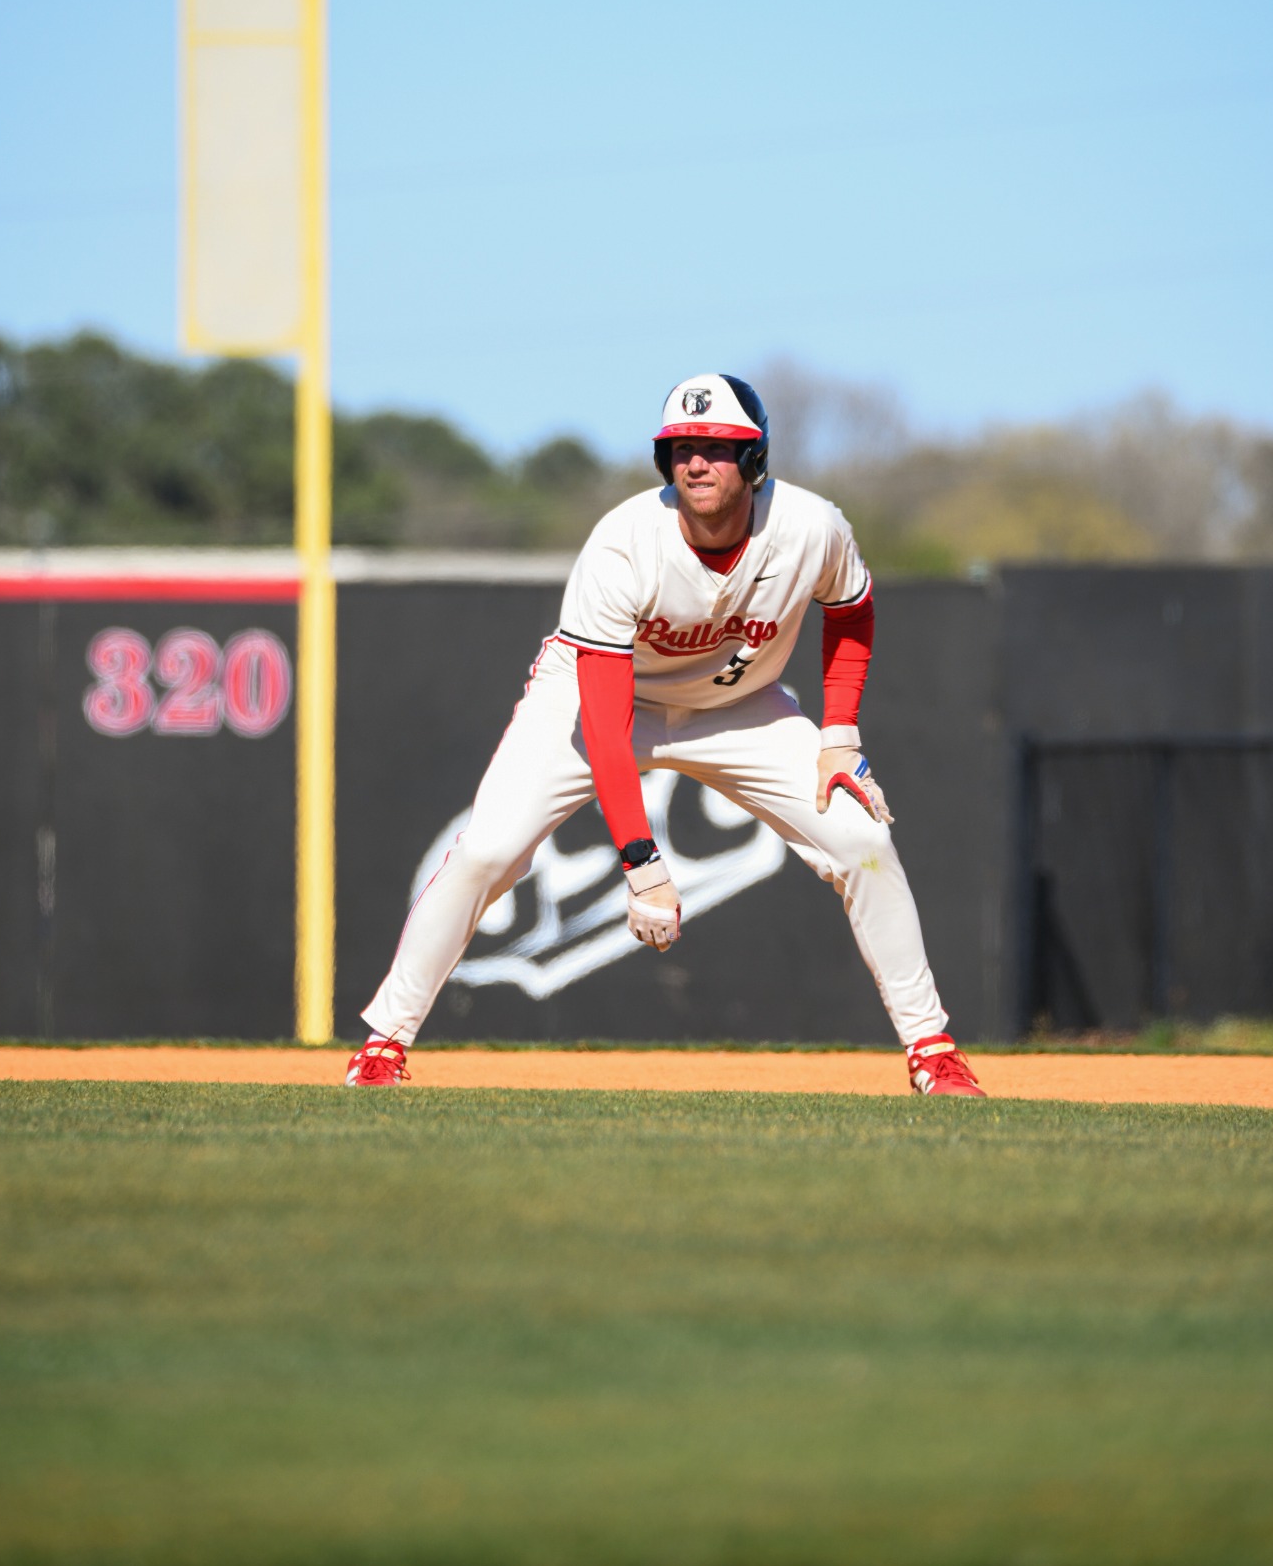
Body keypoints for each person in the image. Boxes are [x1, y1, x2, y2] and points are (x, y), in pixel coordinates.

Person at [347, 373, 983, 1097]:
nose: (695, 461)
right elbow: (610, 726)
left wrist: (838, 730)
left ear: (754, 459)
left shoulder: (810, 526)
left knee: (863, 843)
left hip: (738, 709)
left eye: (716, 446)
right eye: (680, 447)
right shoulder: (624, 542)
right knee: (486, 850)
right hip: (598, 698)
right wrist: (642, 864)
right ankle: (382, 1045)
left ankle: (931, 1050)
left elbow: (851, 609)